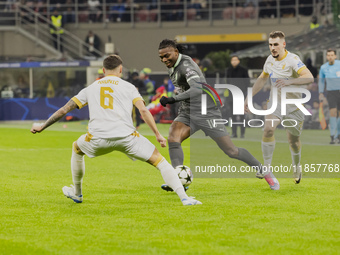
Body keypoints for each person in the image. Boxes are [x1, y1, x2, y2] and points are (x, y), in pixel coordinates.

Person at [30, 55, 201, 206]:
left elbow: (63, 110)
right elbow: (143, 110)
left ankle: (77, 192)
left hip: (98, 139)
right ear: (120, 69)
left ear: (103, 70)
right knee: (161, 162)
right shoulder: (129, 87)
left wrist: (42, 126)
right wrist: (157, 134)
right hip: (128, 138)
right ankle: (184, 198)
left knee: (76, 148)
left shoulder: (91, 88)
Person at [157, 39, 280, 191]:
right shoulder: (173, 65)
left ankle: (264, 170)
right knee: (173, 137)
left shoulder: (186, 66)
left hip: (206, 111)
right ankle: (178, 181)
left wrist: (172, 99)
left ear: (176, 52)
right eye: (161, 57)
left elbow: (197, 89)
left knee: (231, 151)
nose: (164, 60)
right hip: (188, 111)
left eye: (167, 56)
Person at [245, 31, 314, 184]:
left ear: (283, 44)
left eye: (276, 44)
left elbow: (309, 77)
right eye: (270, 45)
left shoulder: (293, 59)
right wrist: (249, 96)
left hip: (294, 107)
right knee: (268, 129)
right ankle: (267, 168)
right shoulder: (269, 60)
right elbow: (262, 78)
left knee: (294, 141)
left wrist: (289, 82)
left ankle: (296, 167)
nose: (273, 48)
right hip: (275, 103)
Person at [318, 49, 340, 144]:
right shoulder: (323, 67)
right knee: (333, 113)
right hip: (331, 92)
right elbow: (321, 81)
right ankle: (332, 136)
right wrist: (321, 92)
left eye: (332, 55)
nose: (330, 57)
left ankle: (338, 135)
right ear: (327, 57)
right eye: (328, 55)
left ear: (335, 56)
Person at [226, 55, 250, 138]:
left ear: (239, 61)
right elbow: (227, 82)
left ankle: (242, 133)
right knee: (233, 116)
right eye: (232, 60)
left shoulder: (243, 70)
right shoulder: (228, 70)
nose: (234, 61)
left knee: (242, 115)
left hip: (241, 95)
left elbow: (247, 82)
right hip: (231, 96)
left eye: (235, 60)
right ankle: (234, 133)